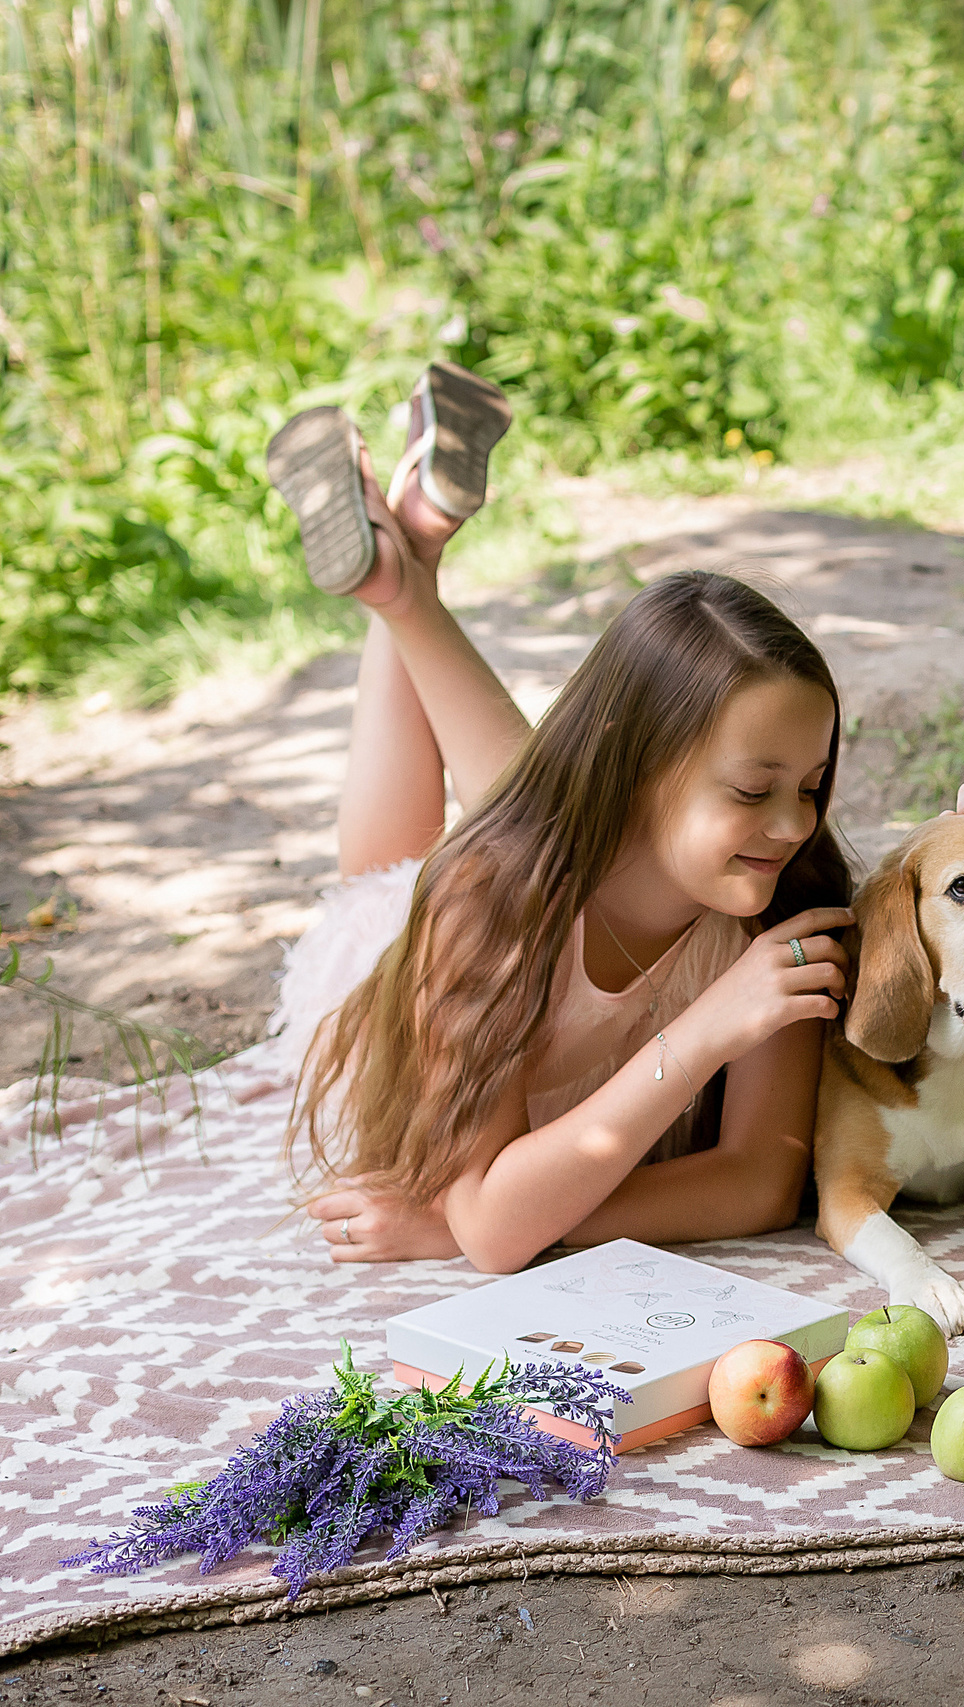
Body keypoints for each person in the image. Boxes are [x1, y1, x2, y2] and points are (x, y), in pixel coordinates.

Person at [260, 366, 856, 1269]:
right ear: (644, 767)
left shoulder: (779, 902)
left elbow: (757, 1185)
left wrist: (522, 1213)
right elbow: (497, 1234)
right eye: (752, 790)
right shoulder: (484, 904)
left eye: (810, 786)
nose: (791, 825)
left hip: (555, 865)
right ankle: (401, 572)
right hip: (397, 989)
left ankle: (402, 566)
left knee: (526, 805)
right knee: (389, 881)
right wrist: (705, 1031)